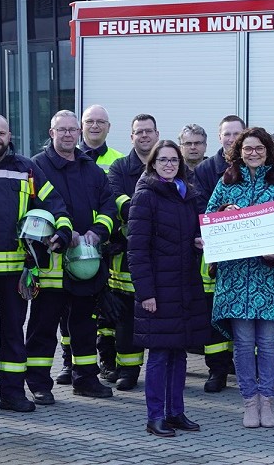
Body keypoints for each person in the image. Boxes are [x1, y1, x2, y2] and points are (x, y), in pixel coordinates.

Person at [0, 113, 72, 416]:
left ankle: (12, 393)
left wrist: (62, 231)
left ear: (10, 135)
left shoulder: (27, 169)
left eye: (2, 133)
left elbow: (53, 202)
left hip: (16, 271)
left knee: (12, 332)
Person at [207, 127, 274, 429]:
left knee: (269, 343)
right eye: (247, 148)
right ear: (239, 152)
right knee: (244, 343)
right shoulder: (227, 182)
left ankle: (268, 401)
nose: (253, 153)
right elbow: (209, 221)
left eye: (259, 148)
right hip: (236, 278)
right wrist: (223, 210)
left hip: (272, 279)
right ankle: (249, 401)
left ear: (269, 150)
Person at [24, 111, 117, 404]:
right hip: (49, 262)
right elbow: (30, 208)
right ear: (51, 133)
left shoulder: (90, 168)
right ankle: (39, 383)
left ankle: (86, 379)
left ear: (78, 133)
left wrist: (97, 231)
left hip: (85, 263)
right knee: (44, 325)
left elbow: (109, 204)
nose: (67, 135)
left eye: (71, 130)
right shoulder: (36, 166)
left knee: (84, 324)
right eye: (61, 130)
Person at [128, 140, 212, 437]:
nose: (168, 165)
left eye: (173, 160)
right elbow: (136, 250)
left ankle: (176, 413)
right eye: (162, 160)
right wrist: (146, 293)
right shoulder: (145, 196)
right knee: (160, 354)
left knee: (179, 354)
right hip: (159, 291)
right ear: (152, 164)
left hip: (185, 286)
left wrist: (198, 242)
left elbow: (190, 235)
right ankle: (155, 417)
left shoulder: (188, 195)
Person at [103, 113, 160, 391]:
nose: (144, 136)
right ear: (132, 137)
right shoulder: (119, 167)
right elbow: (117, 198)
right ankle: (127, 370)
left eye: (149, 131)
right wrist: (146, 216)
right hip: (127, 254)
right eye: (139, 132)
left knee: (161, 314)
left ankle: (162, 370)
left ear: (157, 134)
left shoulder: (167, 162)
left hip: (162, 254)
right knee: (126, 318)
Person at [77, 104, 125, 384]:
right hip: (76, 243)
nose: (95, 126)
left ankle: (107, 362)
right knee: (74, 310)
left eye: (101, 122)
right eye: (90, 122)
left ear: (109, 127)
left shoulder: (119, 160)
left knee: (109, 309)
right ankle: (71, 363)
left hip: (108, 244)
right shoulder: (69, 156)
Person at [190, 119, 232, 394]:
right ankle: (217, 371)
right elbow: (200, 205)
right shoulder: (206, 170)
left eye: (237, 134)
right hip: (215, 257)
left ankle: (247, 370)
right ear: (219, 137)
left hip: (248, 260)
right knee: (214, 318)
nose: (232, 139)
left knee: (245, 316)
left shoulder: (259, 169)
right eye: (227, 134)